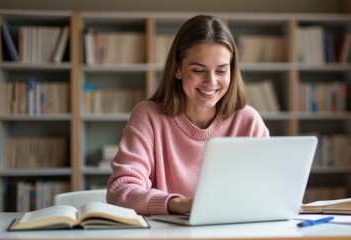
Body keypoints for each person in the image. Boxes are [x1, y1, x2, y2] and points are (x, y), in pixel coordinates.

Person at [106, 15, 269, 216]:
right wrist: (178, 204)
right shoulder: (148, 116)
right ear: (177, 70)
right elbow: (120, 191)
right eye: (199, 70)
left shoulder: (248, 121)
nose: (211, 82)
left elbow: (269, 191)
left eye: (221, 71)